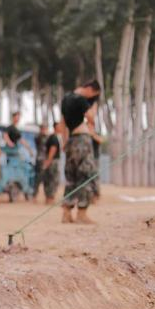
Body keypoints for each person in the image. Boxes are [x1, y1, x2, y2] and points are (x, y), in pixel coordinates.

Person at [60, 80, 101, 224]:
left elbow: (62, 123)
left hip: (71, 140)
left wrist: (64, 142)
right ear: (89, 89)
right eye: (94, 94)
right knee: (86, 175)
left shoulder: (66, 99)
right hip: (82, 140)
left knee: (71, 177)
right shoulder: (80, 99)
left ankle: (66, 213)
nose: (92, 97)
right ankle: (81, 214)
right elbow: (91, 117)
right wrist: (94, 105)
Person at [37, 122, 62, 204]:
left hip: (50, 161)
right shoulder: (54, 138)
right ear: (56, 127)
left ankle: (49, 198)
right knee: (53, 180)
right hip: (53, 161)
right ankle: (50, 198)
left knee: (48, 179)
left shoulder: (52, 137)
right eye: (59, 126)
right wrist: (48, 161)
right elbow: (52, 150)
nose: (61, 128)